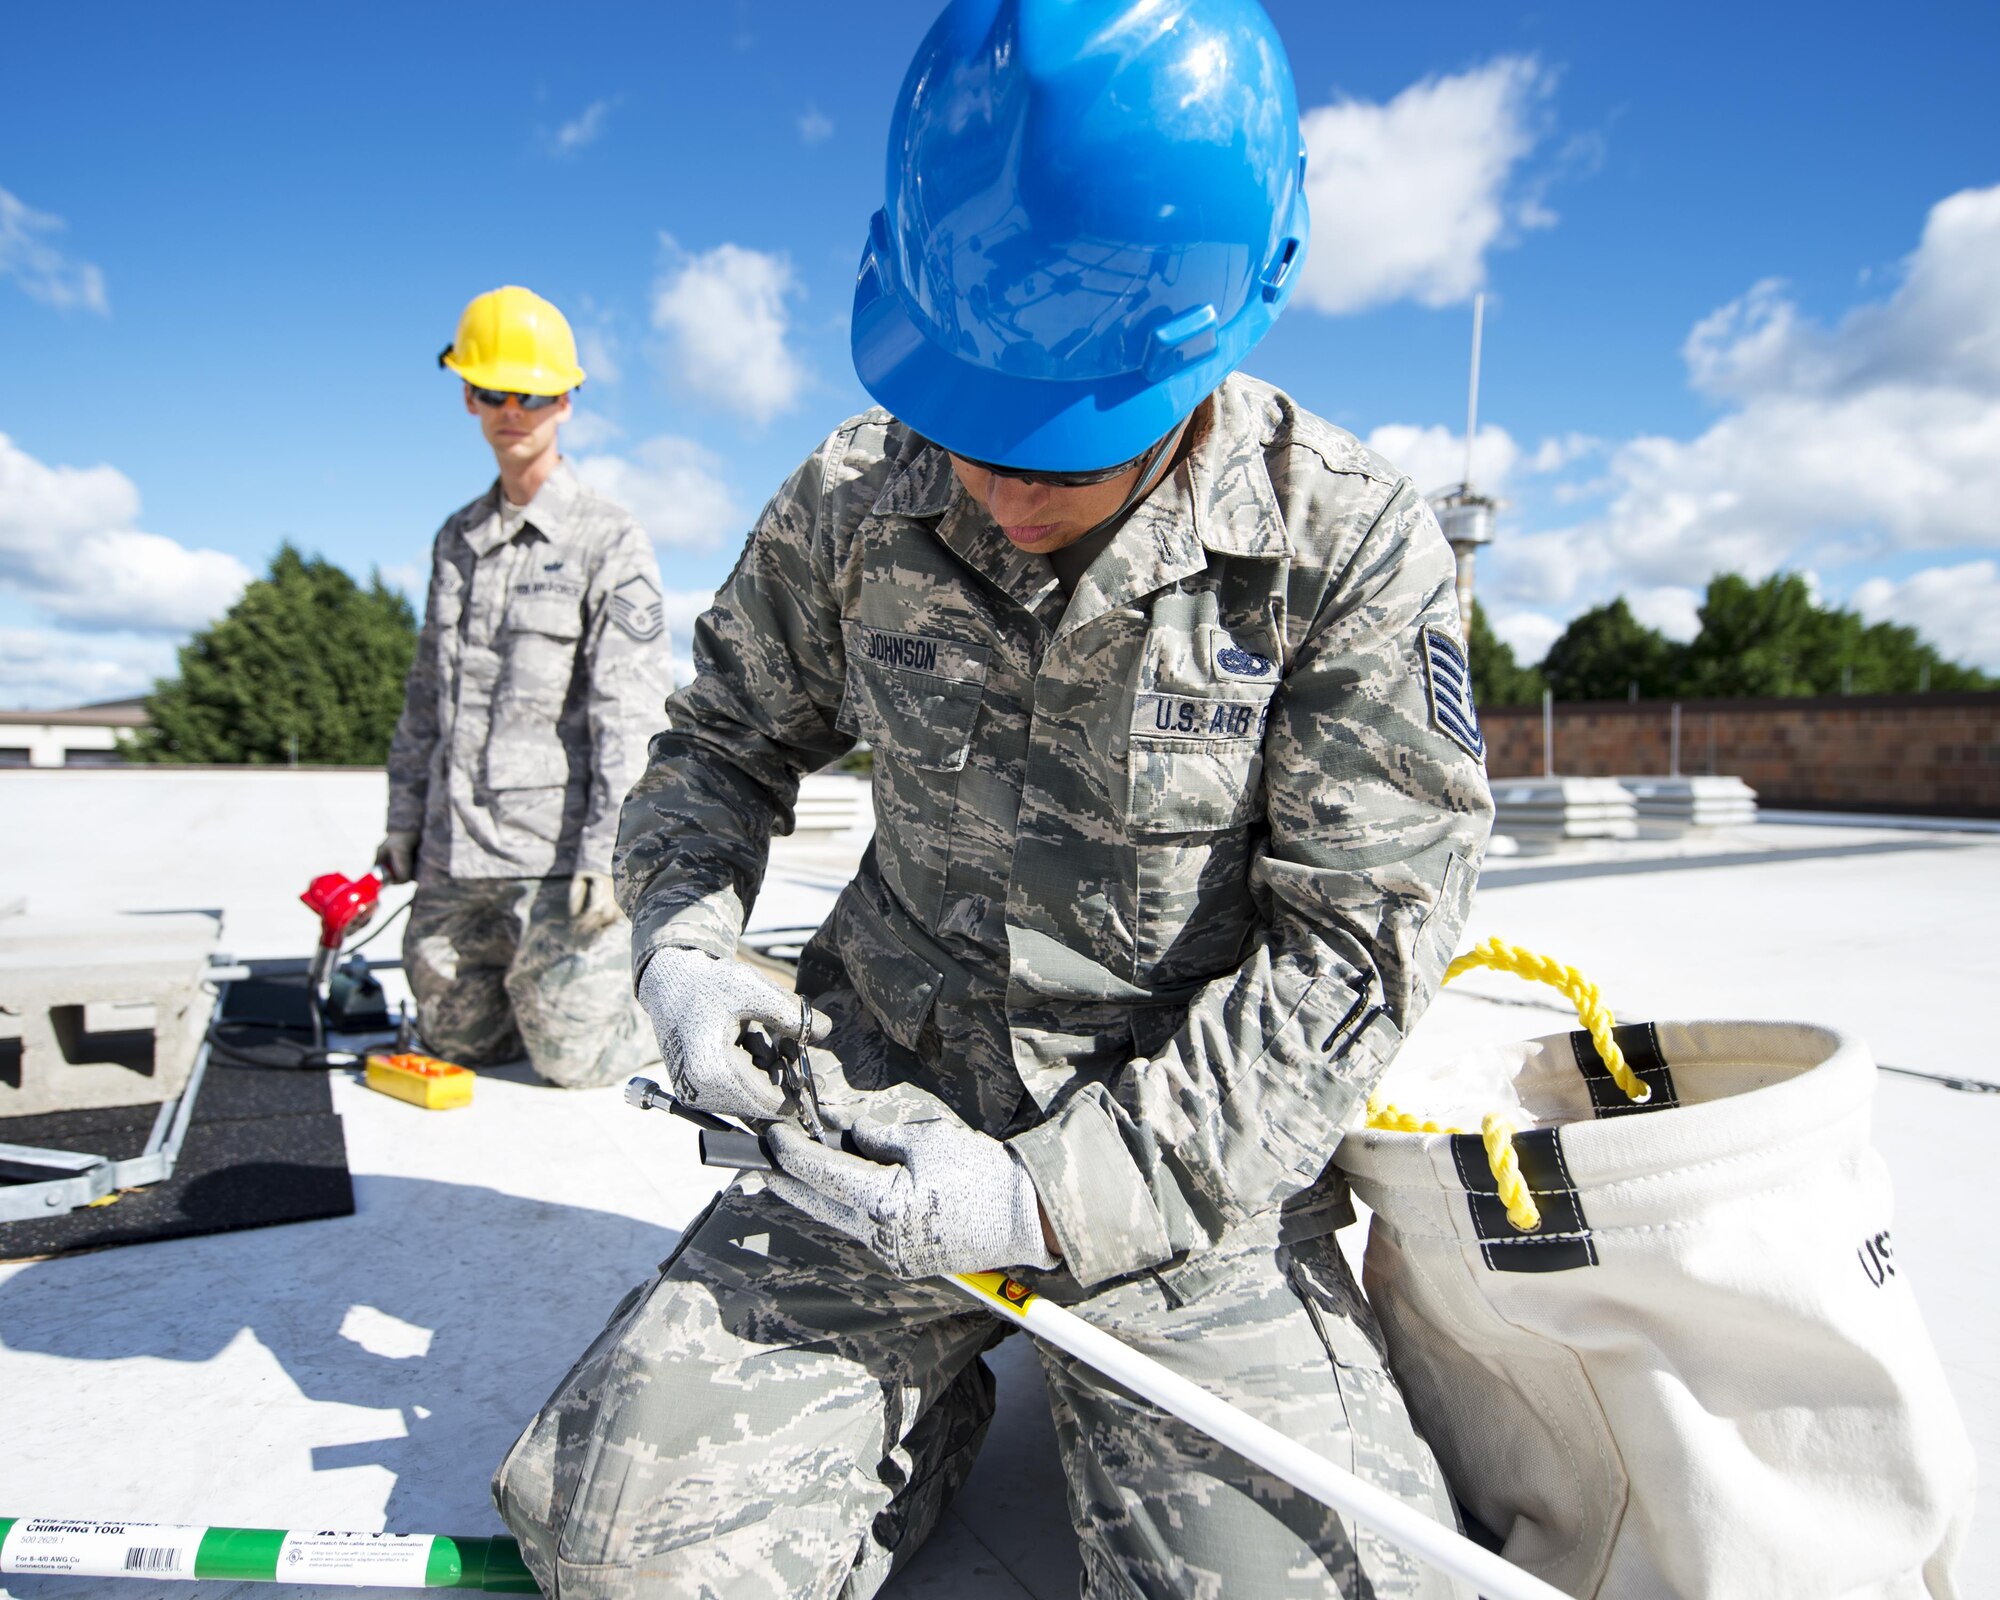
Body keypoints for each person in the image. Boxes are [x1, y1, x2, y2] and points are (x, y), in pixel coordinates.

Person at [495, 3, 1494, 1594]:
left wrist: (1046, 1196)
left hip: (1182, 1171)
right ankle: (921, 1396)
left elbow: (1353, 950)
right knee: (628, 1561)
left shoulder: (1349, 550)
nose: (997, 483)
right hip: (874, 1123)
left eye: (1063, 442)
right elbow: (717, 747)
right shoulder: (851, 493)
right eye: (968, 423)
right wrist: (682, 949)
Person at [376, 285, 671, 1089]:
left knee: (572, 1063)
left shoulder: (608, 538)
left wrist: (611, 854)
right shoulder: (456, 539)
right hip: (454, 852)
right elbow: (424, 702)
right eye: (490, 391)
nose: (513, 410)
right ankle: (528, 990)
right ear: (467, 394)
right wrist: (403, 825)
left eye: (533, 394)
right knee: (458, 1045)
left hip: (554, 858)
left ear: (567, 399)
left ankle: (659, 1009)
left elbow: (630, 711)